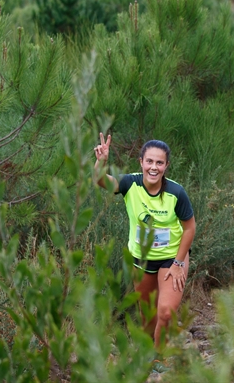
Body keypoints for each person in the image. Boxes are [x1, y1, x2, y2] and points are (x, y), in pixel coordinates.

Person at [94, 136, 195, 350]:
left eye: (159, 163)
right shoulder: (130, 183)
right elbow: (101, 181)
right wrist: (101, 162)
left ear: (166, 165)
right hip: (142, 259)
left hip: (171, 258)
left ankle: (160, 360)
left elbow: (189, 228)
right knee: (148, 316)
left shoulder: (176, 193)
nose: (154, 167)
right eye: (149, 161)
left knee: (166, 313)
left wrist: (179, 264)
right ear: (141, 162)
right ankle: (149, 355)